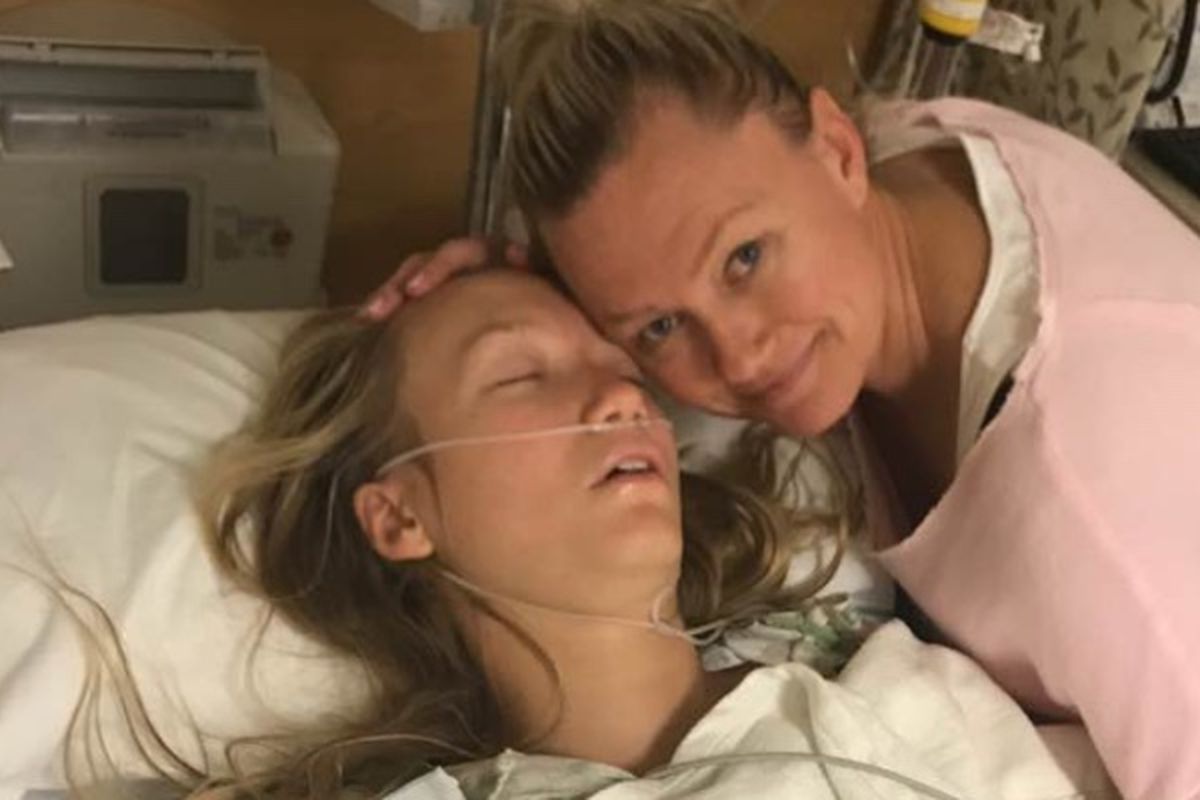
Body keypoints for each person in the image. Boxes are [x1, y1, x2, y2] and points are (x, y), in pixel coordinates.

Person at [363, 2, 1200, 798]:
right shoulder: (901, 154)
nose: (739, 356)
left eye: (745, 258)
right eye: (658, 327)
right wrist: (515, 294)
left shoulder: (1088, 516)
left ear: (839, 149)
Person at [80, 268, 1102, 800]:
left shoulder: (898, 687)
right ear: (400, 514)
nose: (619, 396)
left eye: (622, 367)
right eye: (522, 375)